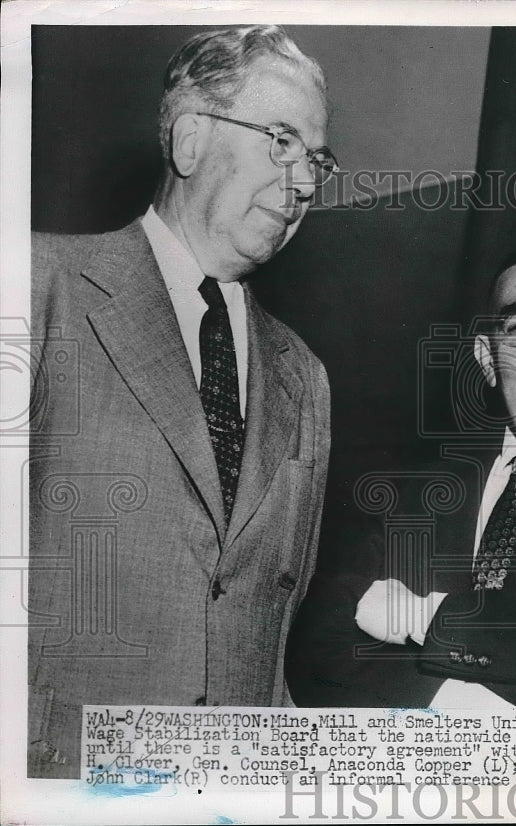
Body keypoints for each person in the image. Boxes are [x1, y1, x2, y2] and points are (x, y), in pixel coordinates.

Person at [29, 25, 333, 777]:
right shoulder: (38, 286)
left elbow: (268, 633)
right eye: (282, 141)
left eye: (317, 162)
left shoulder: (307, 378)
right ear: (191, 139)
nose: (303, 184)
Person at [286, 245, 516, 709]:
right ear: (487, 358)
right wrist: (462, 709)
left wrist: (421, 617)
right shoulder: (399, 497)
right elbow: (319, 650)